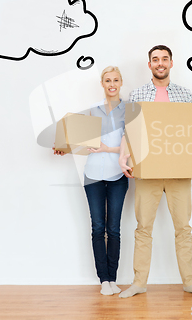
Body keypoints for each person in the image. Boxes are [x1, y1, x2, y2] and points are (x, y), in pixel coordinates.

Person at [118, 45, 192, 298]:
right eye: (155, 59)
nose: (160, 63)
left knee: (183, 227)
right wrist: (123, 156)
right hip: (147, 169)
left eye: (164, 59)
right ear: (149, 65)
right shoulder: (137, 94)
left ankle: (190, 281)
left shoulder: (185, 94)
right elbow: (130, 129)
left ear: (171, 63)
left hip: (179, 171)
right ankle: (139, 283)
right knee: (143, 226)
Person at [53, 66, 128, 296]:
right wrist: (65, 148)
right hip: (93, 176)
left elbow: (132, 144)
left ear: (121, 83)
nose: (111, 84)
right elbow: (81, 138)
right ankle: (103, 279)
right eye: (107, 80)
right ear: (102, 84)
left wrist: (108, 148)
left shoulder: (130, 111)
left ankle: (113, 278)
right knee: (97, 227)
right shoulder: (92, 111)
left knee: (113, 229)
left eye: (115, 79)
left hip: (118, 176)